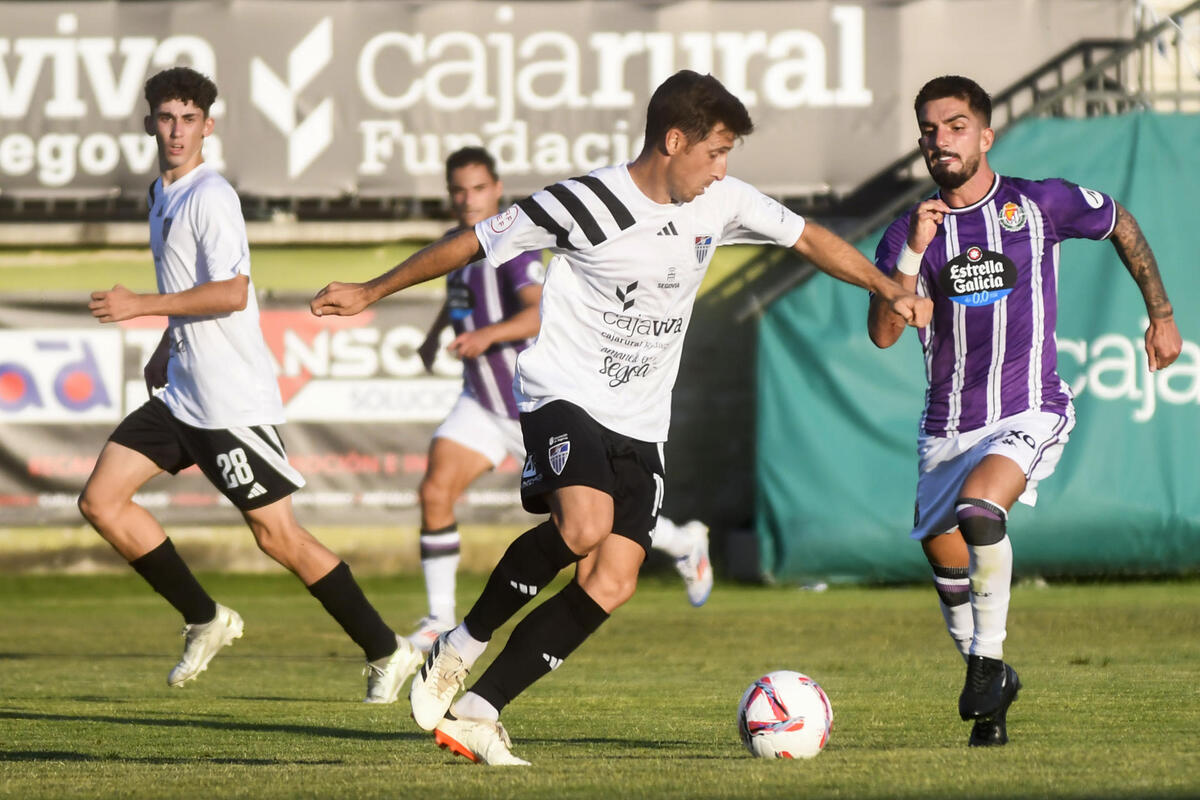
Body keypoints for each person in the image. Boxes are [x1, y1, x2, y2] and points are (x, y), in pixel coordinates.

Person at [312, 69, 930, 765]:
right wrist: (371, 288)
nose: (722, 170)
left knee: (614, 579)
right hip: (563, 393)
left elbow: (809, 238)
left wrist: (884, 284)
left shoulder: (722, 202)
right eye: (715, 153)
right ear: (674, 141)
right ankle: (461, 644)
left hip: (643, 419)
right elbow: (475, 243)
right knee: (584, 527)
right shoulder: (584, 201)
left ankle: (480, 711)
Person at [79, 67, 422, 703]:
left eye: (189, 119)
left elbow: (232, 292)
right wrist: (164, 344)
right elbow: (195, 284)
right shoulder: (162, 193)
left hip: (229, 402)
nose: (176, 130)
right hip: (183, 392)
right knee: (102, 501)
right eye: (165, 117)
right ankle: (206, 618)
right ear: (149, 122)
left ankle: (387, 648)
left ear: (208, 127)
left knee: (277, 537)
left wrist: (140, 307)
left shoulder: (211, 195)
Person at [867, 75, 1181, 747]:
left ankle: (988, 662)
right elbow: (883, 333)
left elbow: (1119, 219)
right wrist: (914, 256)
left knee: (982, 512)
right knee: (948, 566)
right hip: (945, 428)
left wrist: (1161, 314)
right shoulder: (910, 230)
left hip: (1027, 406)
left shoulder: (1038, 204)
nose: (939, 139)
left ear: (985, 136)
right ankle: (992, 698)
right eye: (928, 129)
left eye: (954, 126)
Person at [408, 147, 715, 656]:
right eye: (458, 190)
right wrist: (434, 334)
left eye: (478, 188)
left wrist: (487, 336)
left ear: (497, 188)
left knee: (588, 525)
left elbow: (535, 314)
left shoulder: (516, 254)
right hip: (482, 402)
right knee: (435, 490)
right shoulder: (456, 248)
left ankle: (682, 541)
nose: (468, 199)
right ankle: (437, 618)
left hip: (535, 403)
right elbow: (459, 296)